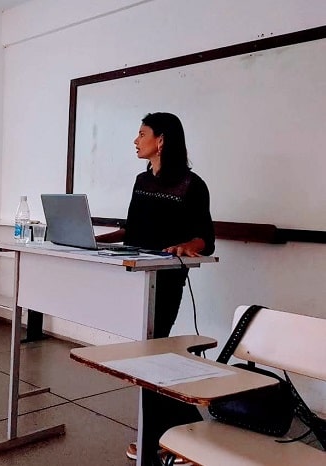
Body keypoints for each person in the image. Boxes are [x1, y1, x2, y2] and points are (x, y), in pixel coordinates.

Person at [95, 112, 215, 464]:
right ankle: (178, 433)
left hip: (166, 277)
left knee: (151, 357)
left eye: (142, 133)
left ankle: (165, 436)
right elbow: (132, 230)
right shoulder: (141, 180)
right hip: (135, 275)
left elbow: (206, 238)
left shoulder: (192, 185)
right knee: (147, 357)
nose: (136, 140)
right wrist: (96, 239)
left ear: (161, 140)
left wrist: (186, 245)